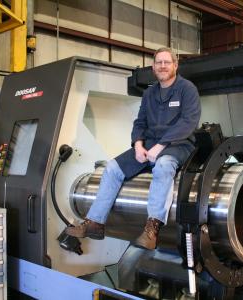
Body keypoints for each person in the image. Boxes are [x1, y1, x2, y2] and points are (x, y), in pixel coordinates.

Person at [66, 47, 201, 250]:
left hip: (178, 144)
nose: (162, 66)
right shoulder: (149, 93)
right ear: (153, 67)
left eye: (167, 62)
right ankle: (95, 223)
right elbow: (140, 123)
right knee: (112, 168)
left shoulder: (187, 89)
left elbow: (188, 123)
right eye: (158, 63)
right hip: (148, 145)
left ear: (175, 65)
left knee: (163, 165)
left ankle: (152, 228)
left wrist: (160, 146)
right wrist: (138, 145)